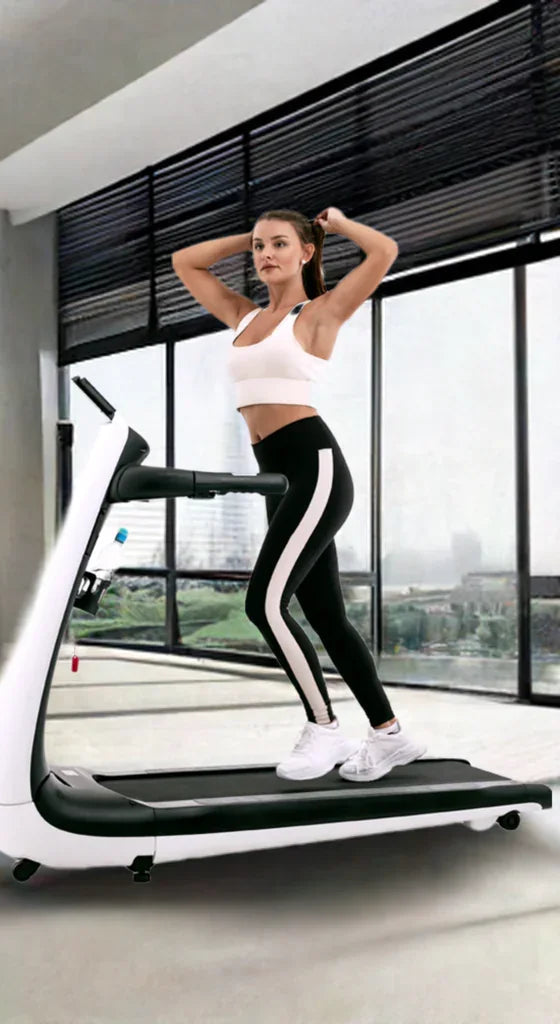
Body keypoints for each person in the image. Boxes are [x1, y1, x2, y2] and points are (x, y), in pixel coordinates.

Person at [172, 206, 426, 782]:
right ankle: (390, 736)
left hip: (315, 468)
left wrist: (335, 225)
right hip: (280, 479)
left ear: (306, 252)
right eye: (260, 247)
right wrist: (250, 235)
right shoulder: (244, 315)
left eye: (280, 244)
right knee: (326, 616)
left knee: (263, 604)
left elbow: (384, 252)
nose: (266, 255)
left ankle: (324, 728)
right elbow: (185, 262)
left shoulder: (319, 313)